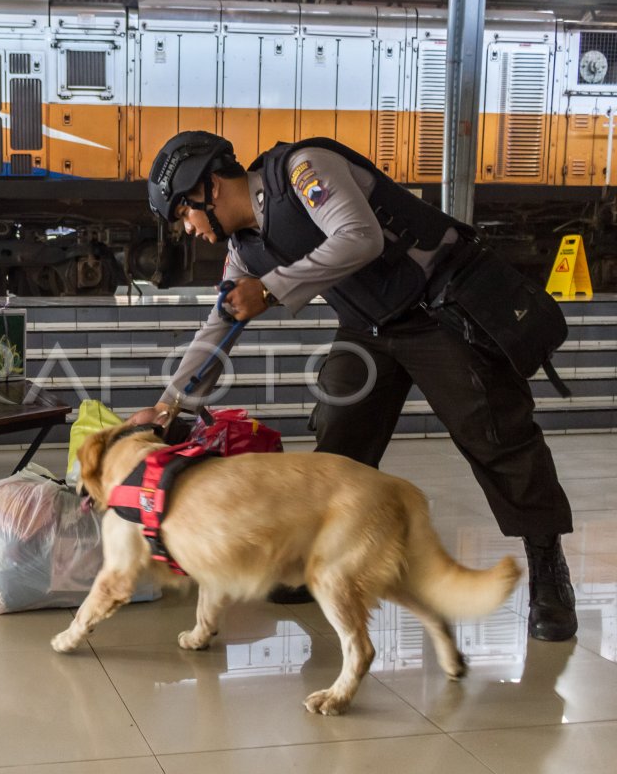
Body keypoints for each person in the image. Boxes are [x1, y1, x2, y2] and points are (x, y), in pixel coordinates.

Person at [131, 131, 577, 642]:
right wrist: (167, 407)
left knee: (496, 437)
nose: (187, 229)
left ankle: (548, 572)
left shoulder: (303, 171)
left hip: (439, 309)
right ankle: (318, 565)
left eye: (184, 213)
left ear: (209, 188)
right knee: (339, 446)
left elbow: (359, 235)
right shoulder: (244, 252)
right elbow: (218, 326)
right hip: (370, 329)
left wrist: (272, 291)